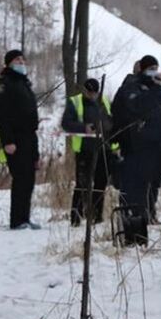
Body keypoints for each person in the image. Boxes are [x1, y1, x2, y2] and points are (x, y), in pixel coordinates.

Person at [110, 55, 161, 246]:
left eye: (156, 67)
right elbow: (137, 107)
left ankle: (142, 229)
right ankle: (131, 236)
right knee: (133, 191)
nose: (155, 72)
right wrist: (152, 87)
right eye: (150, 68)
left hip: (158, 149)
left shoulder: (159, 90)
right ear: (141, 70)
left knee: (149, 189)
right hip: (135, 147)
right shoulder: (131, 87)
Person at [0, 49, 42, 231]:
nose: (21, 62)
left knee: (29, 179)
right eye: (17, 59)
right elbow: (1, 115)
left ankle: (25, 218)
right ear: (9, 63)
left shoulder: (25, 84)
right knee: (20, 178)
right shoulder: (1, 85)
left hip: (30, 138)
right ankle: (17, 221)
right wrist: (8, 140)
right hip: (15, 139)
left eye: (23, 59)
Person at [61, 77, 117, 227]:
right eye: (89, 92)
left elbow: (112, 122)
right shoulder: (75, 102)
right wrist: (83, 128)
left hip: (103, 148)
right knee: (82, 184)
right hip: (84, 149)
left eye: (94, 93)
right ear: (84, 90)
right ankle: (76, 217)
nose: (92, 95)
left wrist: (111, 138)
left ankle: (97, 216)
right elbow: (66, 123)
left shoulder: (105, 101)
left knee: (100, 184)